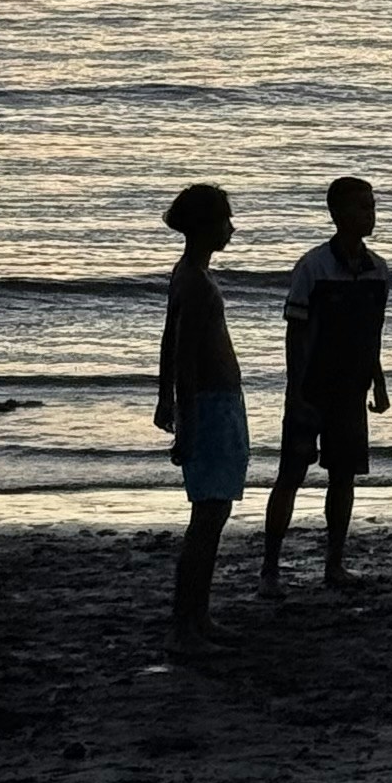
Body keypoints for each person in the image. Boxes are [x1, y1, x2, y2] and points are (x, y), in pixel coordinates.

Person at [261, 174, 391, 593]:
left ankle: (334, 563)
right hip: (312, 387)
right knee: (291, 475)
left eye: (371, 205)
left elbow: (375, 332)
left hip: (351, 390)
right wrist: (295, 392)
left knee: (344, 477)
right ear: (337, 214)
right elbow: (295, 334)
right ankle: (270, 568)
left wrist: (379, 380)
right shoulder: (313, 266)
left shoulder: (378, 270)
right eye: (360, 206)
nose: (369, 214)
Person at [153, 181, 247, 651]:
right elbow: (183, 353)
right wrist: (182, 418)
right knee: (207, 517)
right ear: (206, 226)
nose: (231, 228)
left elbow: (168, 342)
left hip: (217, 402)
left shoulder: (190, 275)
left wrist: (162, 400)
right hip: (209, 406)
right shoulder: (193, 281)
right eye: (225, 219)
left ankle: (198, 617)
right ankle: (185, 625)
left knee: (215, 512)